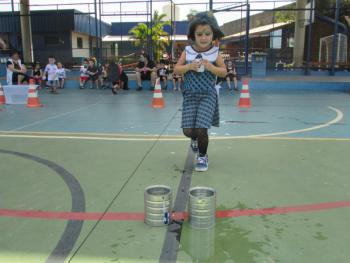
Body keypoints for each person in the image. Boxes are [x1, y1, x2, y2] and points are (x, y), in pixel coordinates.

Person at [174, 12, 227, 172]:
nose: (203, 37)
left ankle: (203, 156)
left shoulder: (215, 53)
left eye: (207, 34)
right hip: (190, 95)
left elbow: (224, 72)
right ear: (193, 35)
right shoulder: (188, 51)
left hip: (207, 95)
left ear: (213, 35)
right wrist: (189, 66)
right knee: (188, 131)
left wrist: (211, 67)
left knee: (202, 128)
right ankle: (194, 139)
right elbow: (176, 69)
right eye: (199, 34)